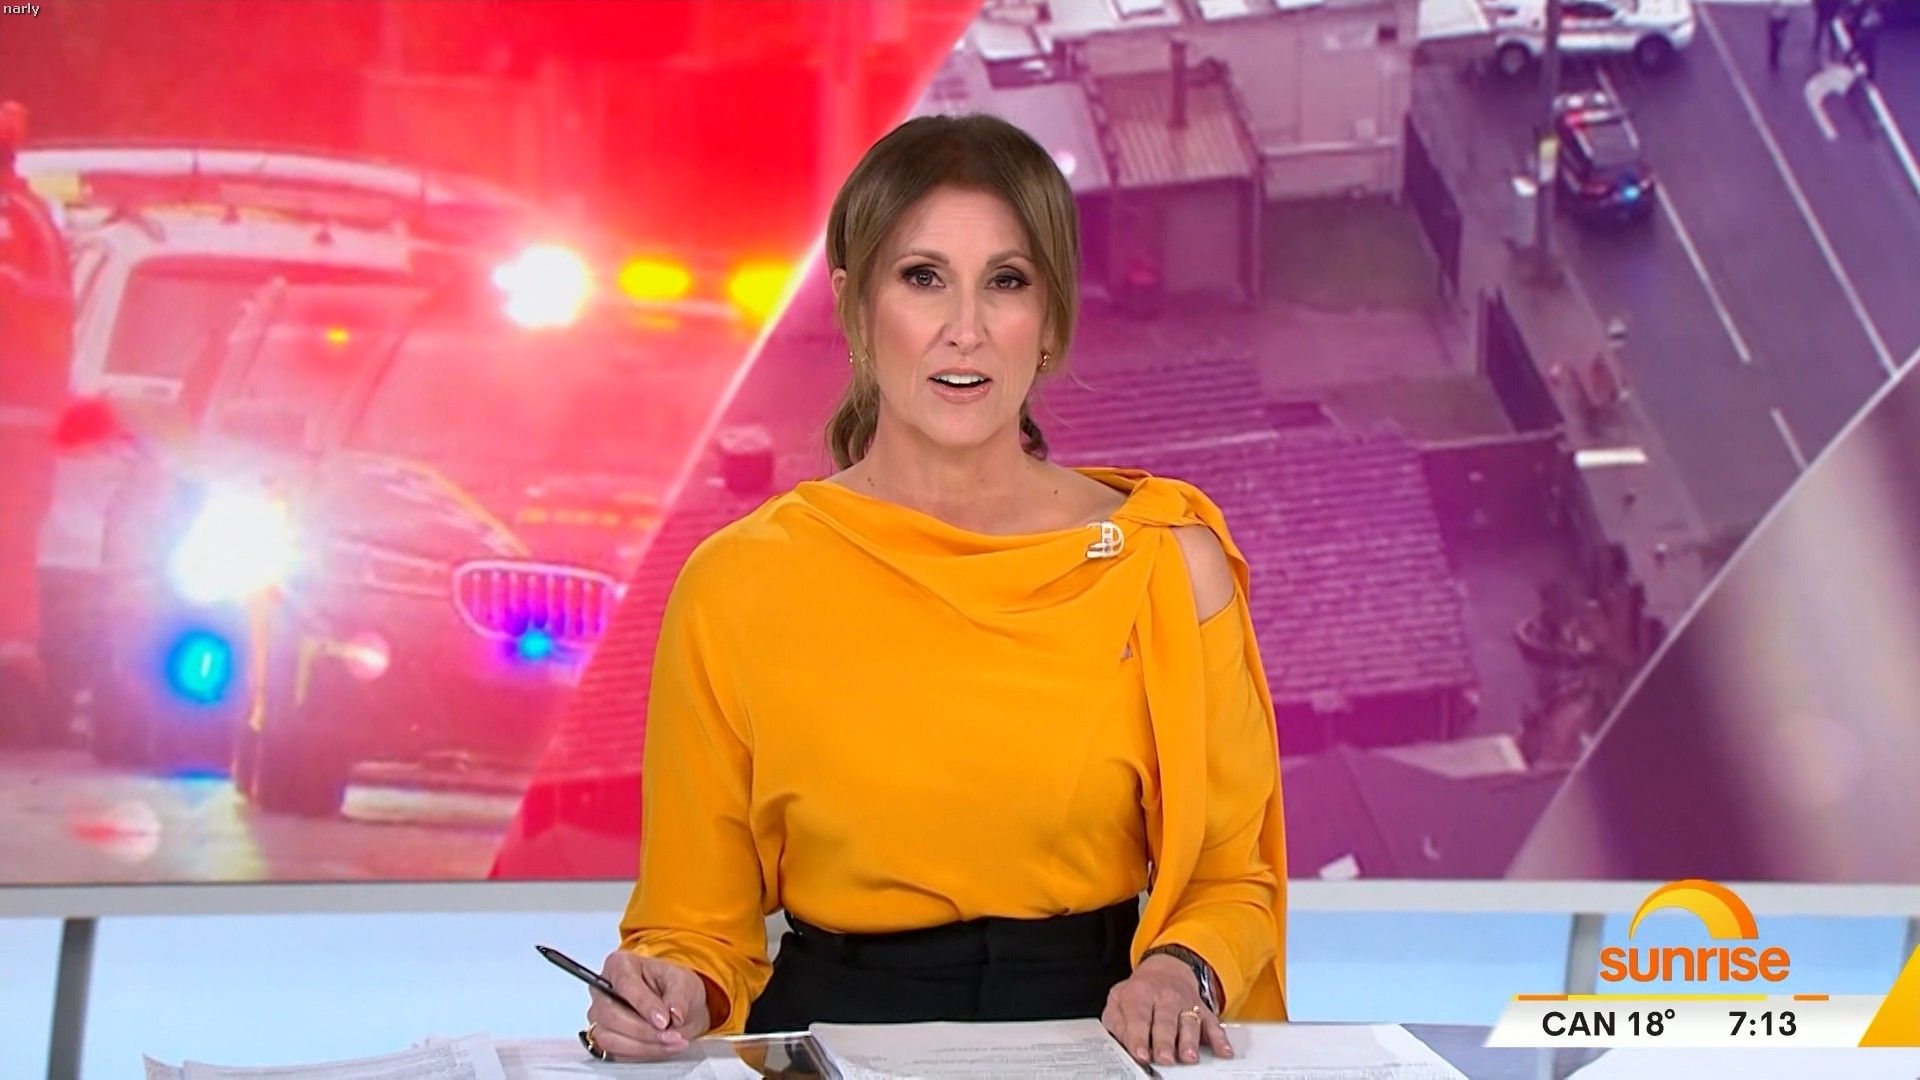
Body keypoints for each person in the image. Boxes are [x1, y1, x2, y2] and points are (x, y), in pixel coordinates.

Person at [585, 113, 1287, 1069]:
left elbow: (1232, 877)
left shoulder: (1164, 562)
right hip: (830, 1043)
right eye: (923, 278)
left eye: (1007, 281)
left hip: (1098, 1039)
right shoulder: (736, 584)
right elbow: (693, 926)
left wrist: (1183, 970)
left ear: (1050, 318)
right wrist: (669, 989)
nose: (966, 329)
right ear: (854, 305)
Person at [0, 100, 74, 743]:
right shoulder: (35, 215)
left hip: (9, 416)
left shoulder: (8, 221)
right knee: (15, 546)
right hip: (27, 417)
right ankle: (17, 665)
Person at [1767, 0, 1791, 72]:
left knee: (1776, 45)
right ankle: (1773, 62)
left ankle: (1774, 61)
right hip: (1776, 24)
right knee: (1775, 44)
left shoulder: (1780, 8)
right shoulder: (1778, 9)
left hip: (1778, 23)